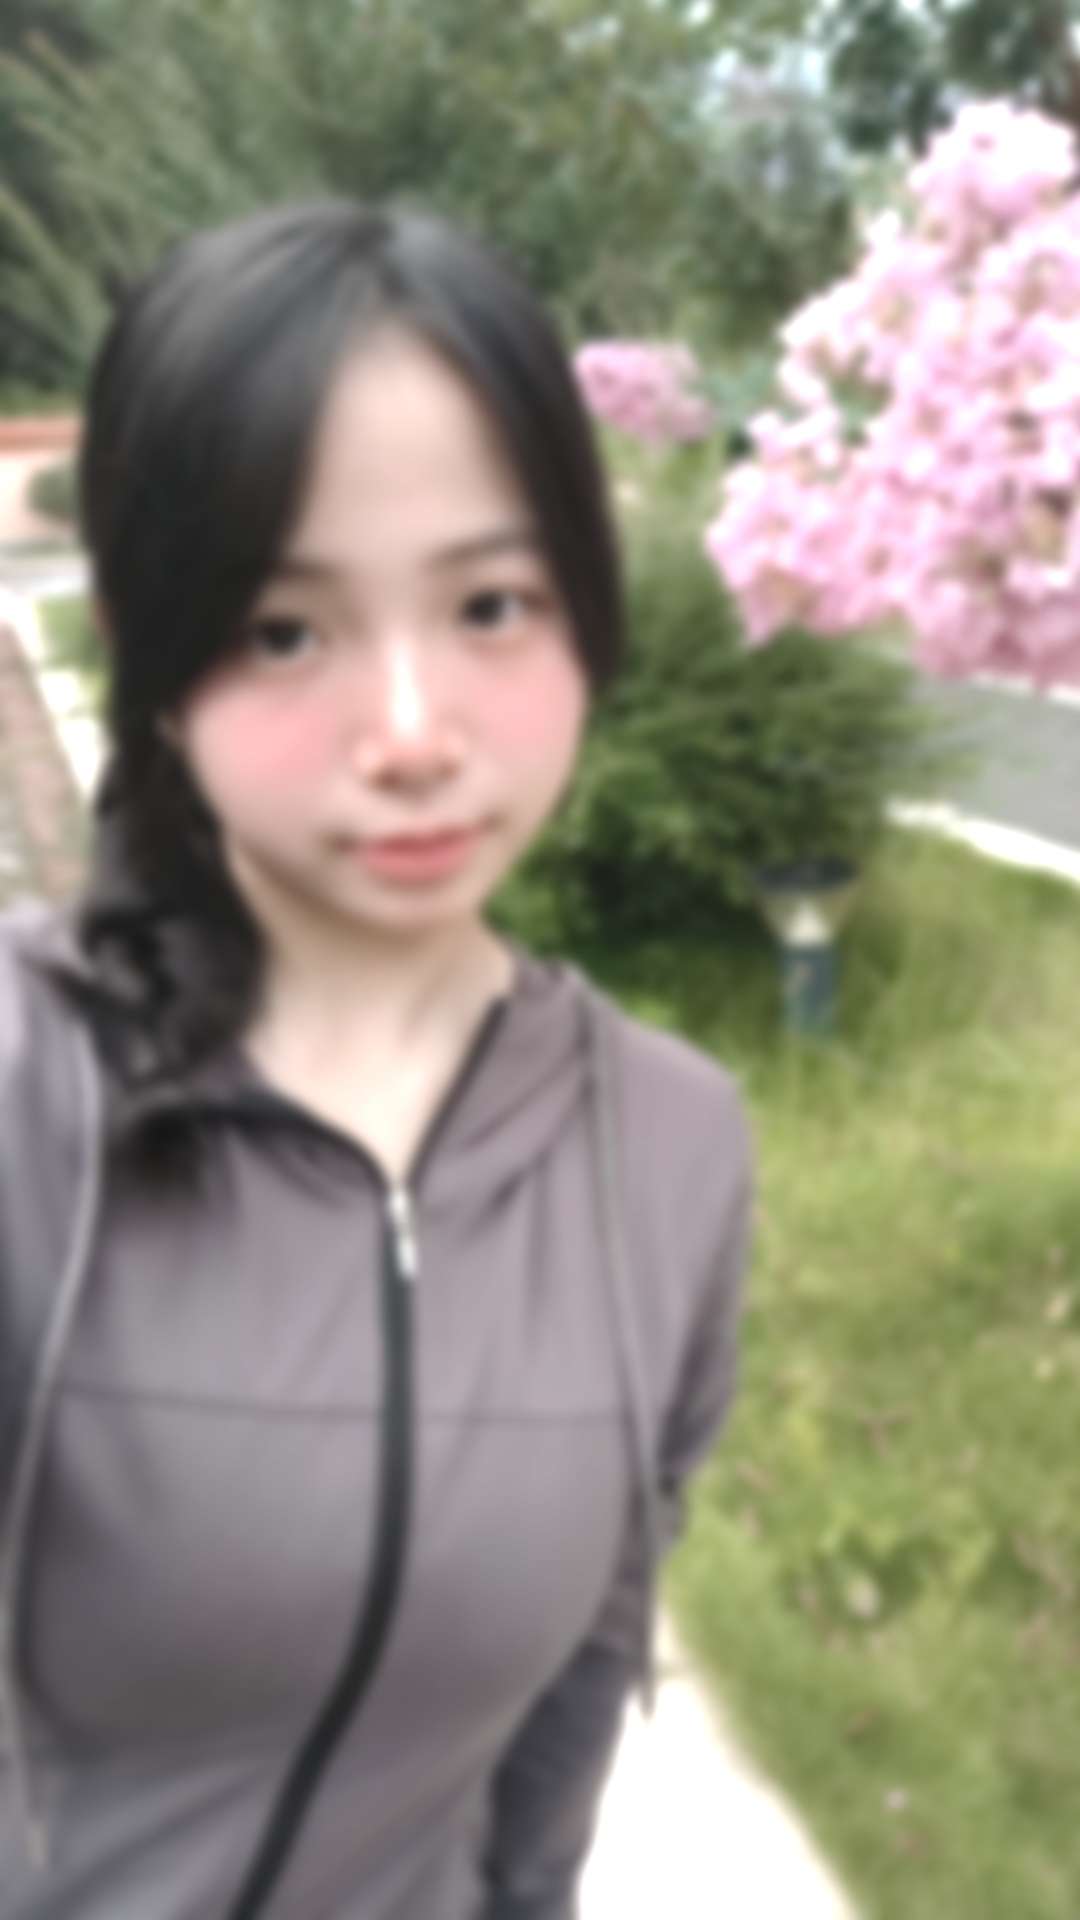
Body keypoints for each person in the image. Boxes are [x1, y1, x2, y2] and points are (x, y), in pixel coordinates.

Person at [0, 201, 753, 1919]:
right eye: (285, 630)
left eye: (492, 603)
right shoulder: (26, 1089)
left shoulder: (667, 1147)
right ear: (147, 653)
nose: (412, 735)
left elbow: (576, 1699)